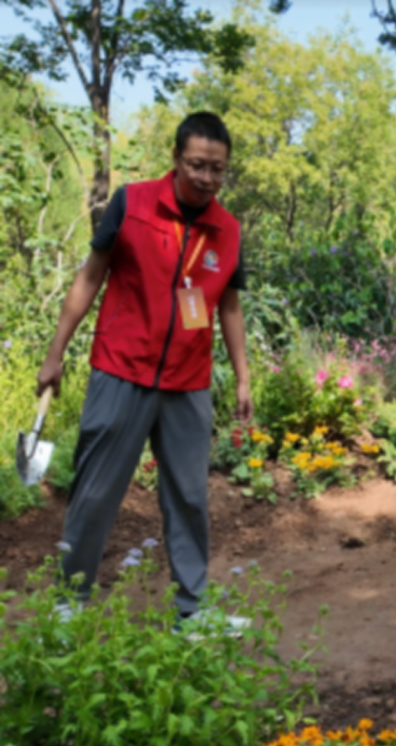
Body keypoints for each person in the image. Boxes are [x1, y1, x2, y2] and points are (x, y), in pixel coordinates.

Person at [37, 111, 252, 631]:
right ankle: (68, 606)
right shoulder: (131, 203)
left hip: (188, 382)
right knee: (94, 491)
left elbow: (228, 307)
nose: (206, 177)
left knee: (190, 498)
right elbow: (90, 278)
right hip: (121, 370)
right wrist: (54, 353)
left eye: (217, 169)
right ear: (176, 158)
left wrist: (244, 377)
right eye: (197, 164)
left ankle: (192, 612)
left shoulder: (227, 230)